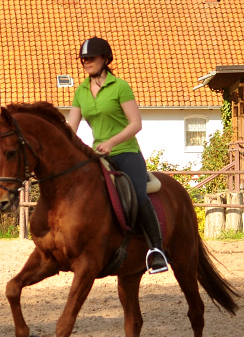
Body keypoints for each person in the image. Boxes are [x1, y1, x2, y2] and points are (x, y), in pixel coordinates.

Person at [67, 36, 168, 274]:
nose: (86, 62)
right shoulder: (81, 91)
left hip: (125, 152)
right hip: (97, 154)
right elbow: (70, 128)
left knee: (137, 194)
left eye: (90, 58)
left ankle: (157, 250)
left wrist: (112, 142)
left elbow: (136, 123)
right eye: (83, 59)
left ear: (105, 59)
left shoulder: (120, 87)